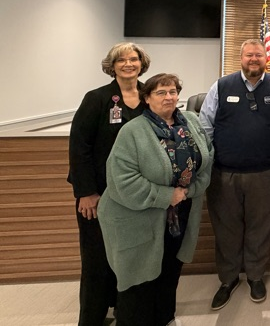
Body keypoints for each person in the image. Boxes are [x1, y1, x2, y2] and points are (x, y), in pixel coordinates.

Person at [98, 74, 213, 326]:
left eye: (172, 91)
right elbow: (122, 181)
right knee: (139, 280)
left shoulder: (191, 123)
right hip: (136, 217)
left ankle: (165, 318)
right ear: (147, 98)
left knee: (170, 271)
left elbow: (207, 161)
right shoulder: (133, 131)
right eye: (161, 92)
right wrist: (167, 195)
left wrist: (187, 192)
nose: (169, 97)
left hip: (179, 215)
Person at [200, 39, 270, 310]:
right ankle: (228, 279)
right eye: (249, 55)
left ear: (266, 58)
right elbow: (204, 127)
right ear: (240, 58)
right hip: (223, 174)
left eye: (258, 55)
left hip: (266, 174)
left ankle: (255, 276)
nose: (254, 59)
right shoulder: (220, 86)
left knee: (260, 229)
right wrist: (207, 161)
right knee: (226, 230)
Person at [68, 42, 150, 326]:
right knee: (96, 261)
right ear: (111, 66)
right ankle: (91, 318)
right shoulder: (97, 99)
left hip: (135, 195)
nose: (129, 64)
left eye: (134, 59)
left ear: (142, 63)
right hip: (100, 195)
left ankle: (122, 310)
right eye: (122, 60)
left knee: (128, 257)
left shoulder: (148, 97)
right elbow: (79, 147)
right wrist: (86, 192)